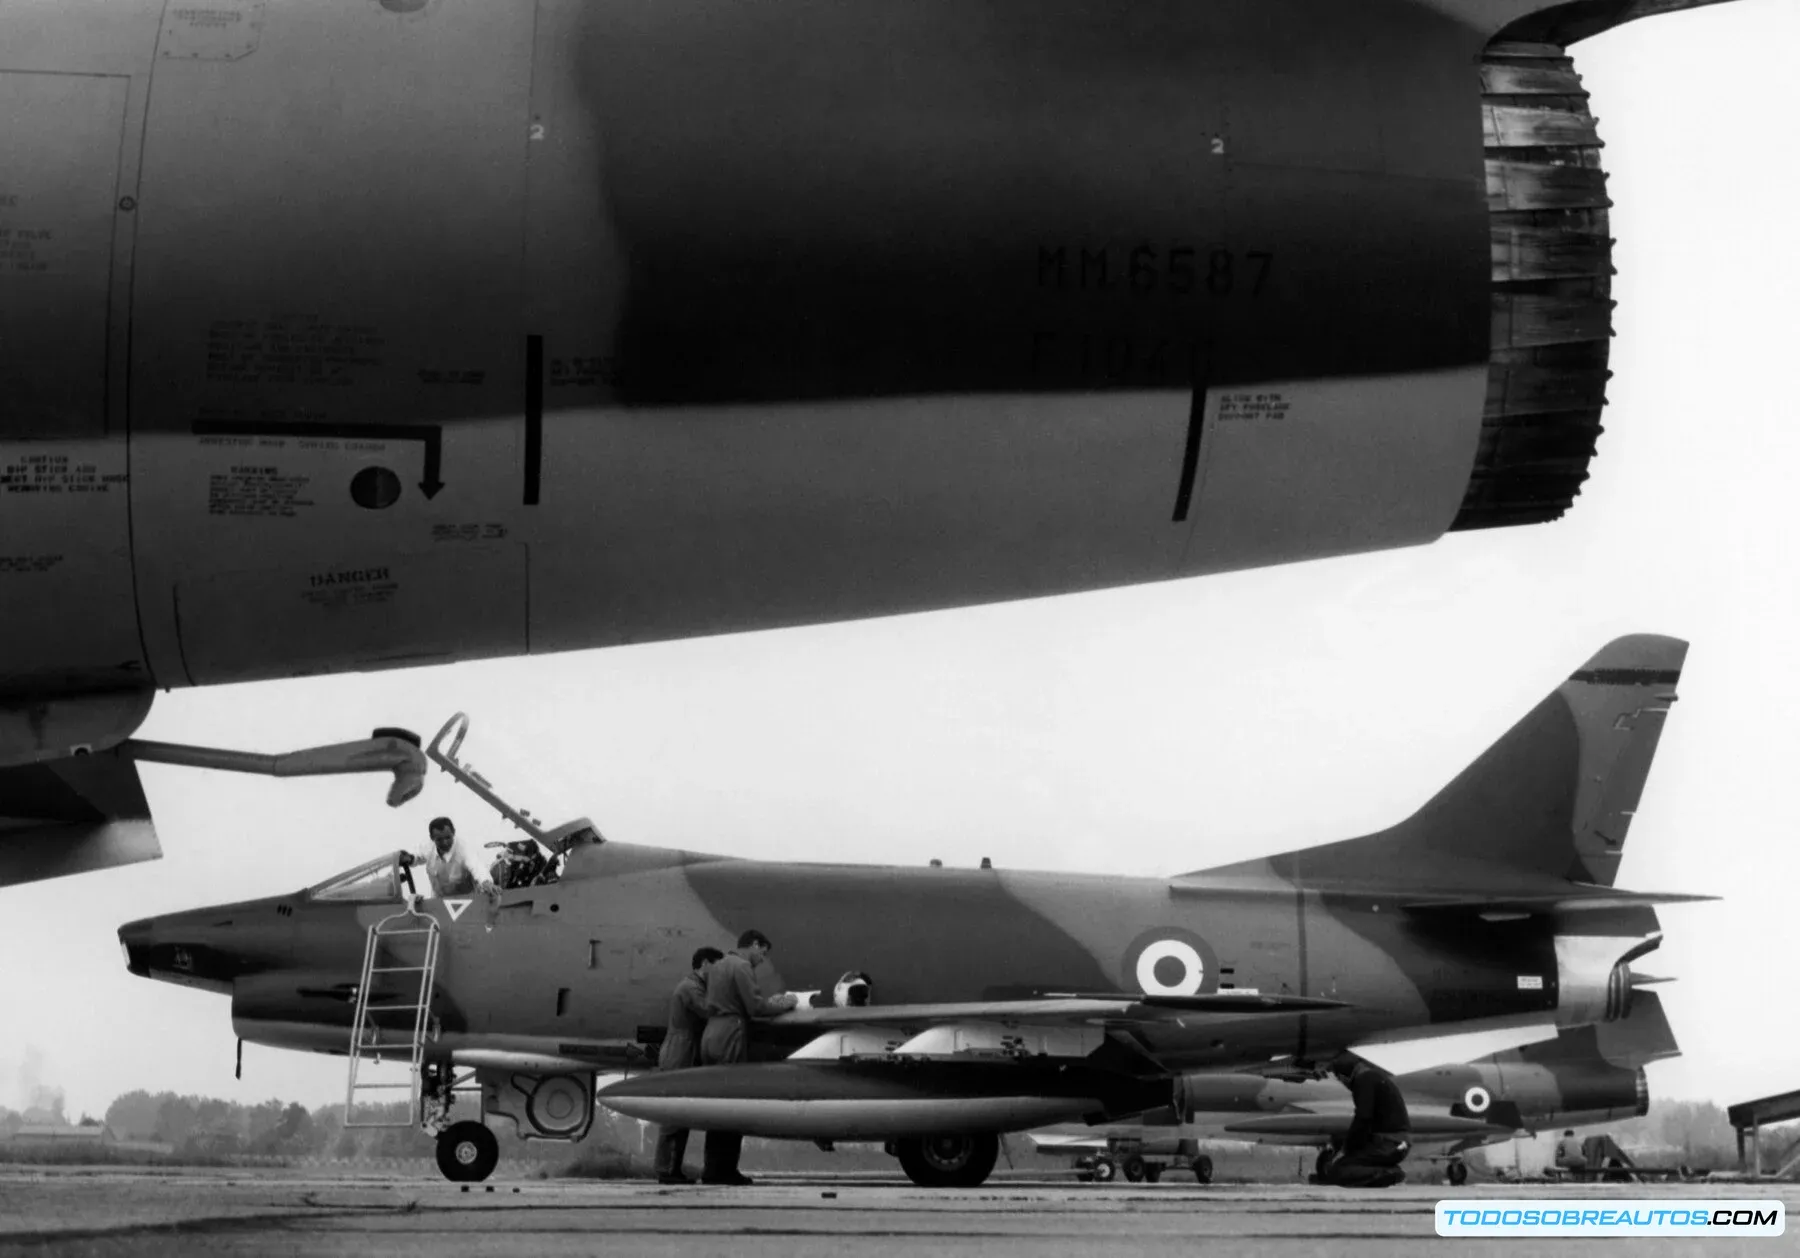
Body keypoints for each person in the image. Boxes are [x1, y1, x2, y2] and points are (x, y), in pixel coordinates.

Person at [698, 929, 801, 1185]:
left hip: (711, 1033)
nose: (761, 959)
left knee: (716, 1106)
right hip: (730, 1034)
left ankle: (712, 1168)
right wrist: (787, 1002)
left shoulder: (718, 965)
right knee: (733, 1100)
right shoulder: (742, 966)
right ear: (754, 945)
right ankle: (725, 1170)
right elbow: (755, 1007)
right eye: (762, 953)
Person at [653, 947, 723, 1184]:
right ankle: (666, 1170)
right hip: (680, 1050)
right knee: (673, 1114)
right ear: (705, 964)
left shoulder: (694, 986)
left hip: (684, 1048)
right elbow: (708, 1010)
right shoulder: (691, 988)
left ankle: (671, 1169)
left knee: (679, 1115)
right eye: (717, 967)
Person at [1312, 1052, 1411, 1188]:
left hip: (1389, 1144)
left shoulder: (1364, 1081)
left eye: (1339, 1078)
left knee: (1340, 1170)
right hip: (1394, 1143)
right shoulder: (1373, 1077)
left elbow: (1363, 1118)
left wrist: (1349, 1147)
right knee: (1345, 1155)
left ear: (1344, 1075)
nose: (1341, 1082)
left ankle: (1389, 1173)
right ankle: (1385, 1170)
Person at [402, 816, 495, 899]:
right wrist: (408, 858)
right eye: (439, 840)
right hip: (438, 902)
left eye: (448, 838)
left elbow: (477, 867)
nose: (445, 843)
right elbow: (415, 857)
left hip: (467, 901)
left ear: (453, 832)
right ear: (432, 838)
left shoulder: (464, 850)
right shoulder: (428, 847)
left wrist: (486, 882)